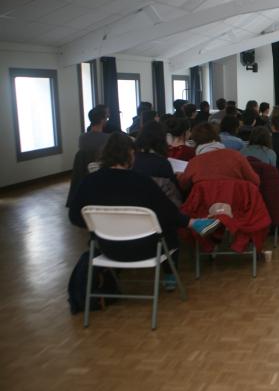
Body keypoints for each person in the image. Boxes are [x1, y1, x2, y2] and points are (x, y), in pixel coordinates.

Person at [69, 133, 220, 288]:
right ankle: (170, 274)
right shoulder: (141, 181)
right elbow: (167, 212)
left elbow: (75, 217)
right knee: (167, 224)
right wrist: (187, 221)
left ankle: (192, 224)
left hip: (108, 249)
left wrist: (101, 226)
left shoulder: (88, 182)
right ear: (130, 154)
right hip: (146, 249)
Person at [178, 123, 260, 191]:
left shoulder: (194, 163)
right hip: (238, 205)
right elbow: (256, 181)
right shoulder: (236, 156)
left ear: (195, 142)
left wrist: (180, 176)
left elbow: (183, 186)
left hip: (206, 207)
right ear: (216, 136)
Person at [133, 121, 181, 205]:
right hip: (159, 208)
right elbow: (175, 192)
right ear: (162, 139)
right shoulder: (162, 163)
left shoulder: (131, 159)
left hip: (135, 206)